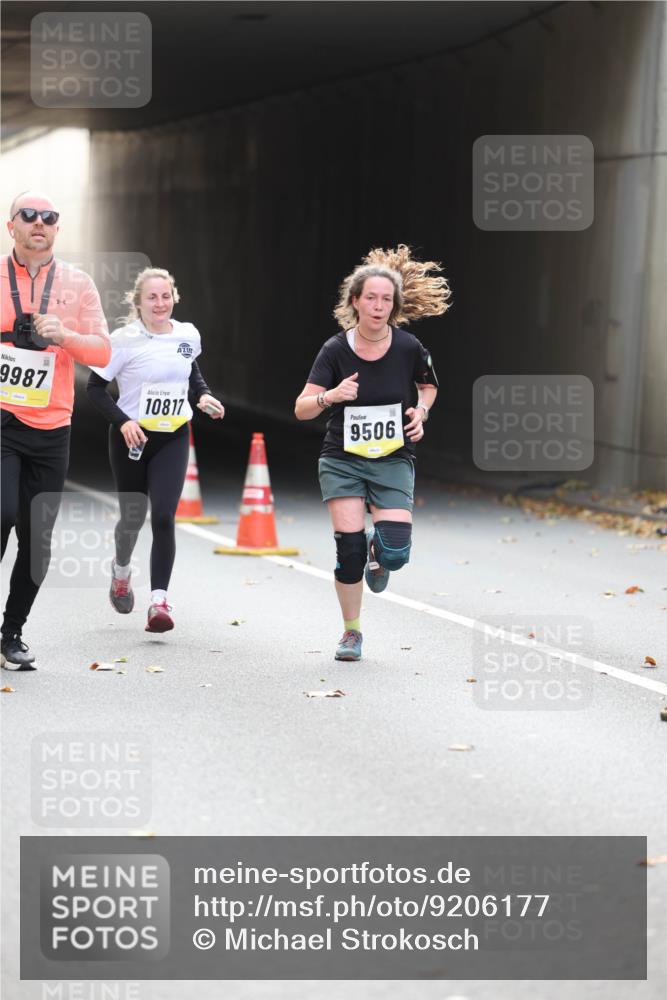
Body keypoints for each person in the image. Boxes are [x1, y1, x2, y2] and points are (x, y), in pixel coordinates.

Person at [295, 245, 450, 662]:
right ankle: (352, 632)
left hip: (393, 458)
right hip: (342, 460)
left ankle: (379, 554)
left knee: (396, 551)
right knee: (349, 553)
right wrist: (331, 395)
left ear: (394, 305)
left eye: (386, 299)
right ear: (355, 302)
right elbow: (302, 407)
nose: (379, 306)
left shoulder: (409, 347)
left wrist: (421, 411)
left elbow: (429, 386)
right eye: (371, 298)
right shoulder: (334, 350)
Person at [1, 191, 110, 671]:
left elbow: (103, 352)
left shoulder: (78, 284)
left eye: (48, 217)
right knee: (1, 513)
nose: (39, 223)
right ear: (12, 227)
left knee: (37, 541)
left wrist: (64, 336)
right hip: (3, 421)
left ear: (57, 229)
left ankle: (11, 634)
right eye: (28, 216)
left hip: (52, 425)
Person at [86, 267, 224, 633]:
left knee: (163, 516)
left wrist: (204, 395)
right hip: (132, 439)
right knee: (132, 517)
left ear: (174, 298)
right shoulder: (123, 340)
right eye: (152, 297)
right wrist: (123, 422)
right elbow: (94, 389)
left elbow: (190, 371)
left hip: (173, 436)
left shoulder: (187, 334)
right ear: (139, 302)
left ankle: (159, 602)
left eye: (165, 296)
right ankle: (121, 571)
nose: (160, 303)